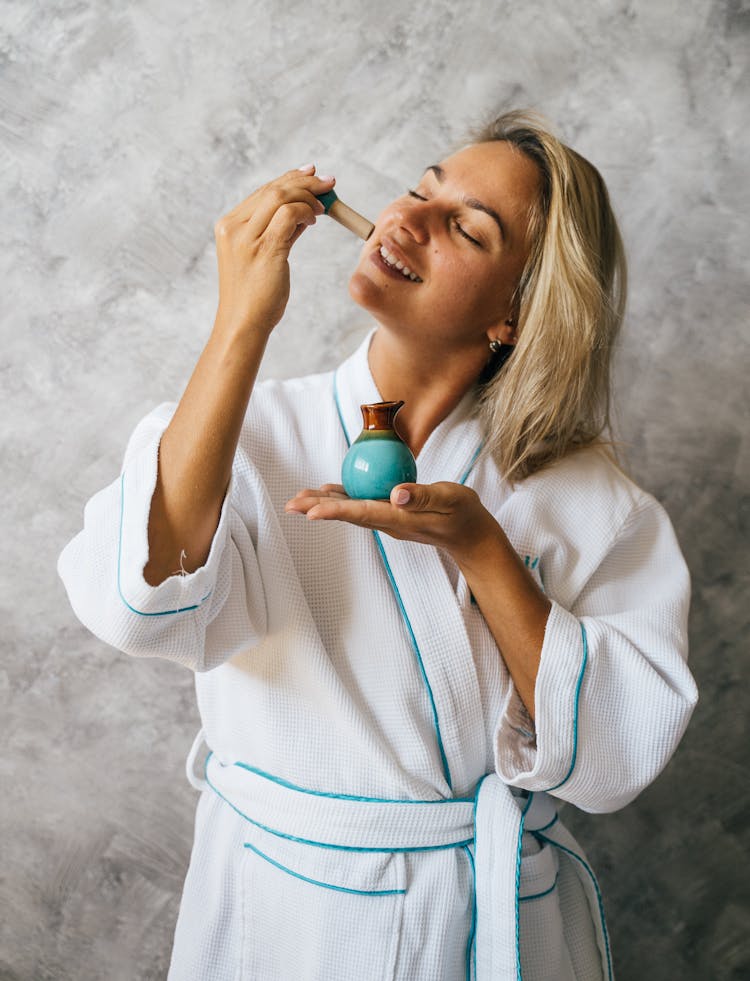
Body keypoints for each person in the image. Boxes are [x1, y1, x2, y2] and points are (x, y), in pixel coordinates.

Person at [58, 110, 698, 980]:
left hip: (487, 924)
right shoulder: (251, 431)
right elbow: (134, 605)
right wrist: (242, 321)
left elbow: (617, 753)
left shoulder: (594, 503)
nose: (408, 220)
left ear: (514, 314)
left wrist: (482, 548)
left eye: (466, 227)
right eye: (419, 189)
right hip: (286, 922)